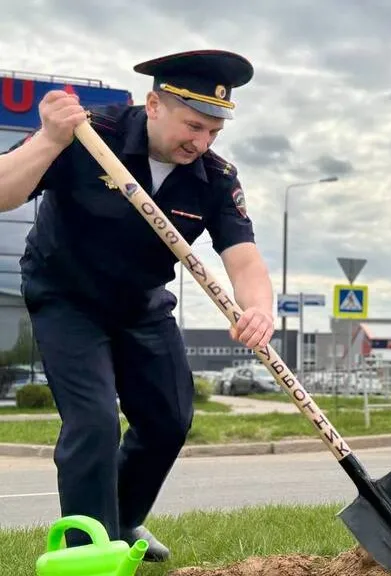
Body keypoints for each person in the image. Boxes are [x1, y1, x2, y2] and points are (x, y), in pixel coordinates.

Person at [0, 50, 275, 562]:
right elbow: (3, 193)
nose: (201, 142)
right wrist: (50, 139)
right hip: (67, 298)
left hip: (142, 305)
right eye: (193, 126)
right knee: (95, 421)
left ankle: (124, 525)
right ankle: (87, 549)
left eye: (214, 133)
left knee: (169, 418)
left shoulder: (215, 177)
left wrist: (258, 309)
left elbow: (244, 259)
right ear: (153, 105)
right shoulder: (88, 135)